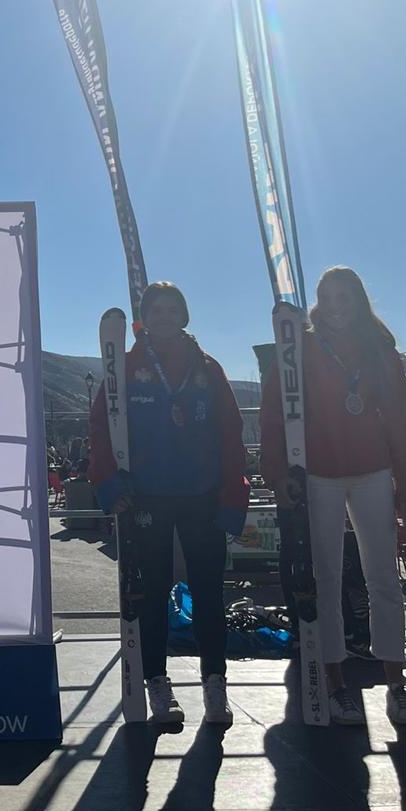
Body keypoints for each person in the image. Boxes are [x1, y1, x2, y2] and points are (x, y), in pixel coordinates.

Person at [260, 266, 406, 728]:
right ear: (317, 302)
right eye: (327, 298)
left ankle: (396, 685)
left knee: (383, 579)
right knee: (325, 578)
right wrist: (277, 474)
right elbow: (273, 413)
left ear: (358, 301)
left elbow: (399, 418)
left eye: (344, 298)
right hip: (318, 475)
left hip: (373, 472)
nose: (335, 307)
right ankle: (335, 685)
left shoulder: (379, 349)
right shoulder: (298, 348)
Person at [89, 282, 249, 727]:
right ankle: (157, 682)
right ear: (144, 319)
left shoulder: (207, 367)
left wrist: (233, 494)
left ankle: (215, 682)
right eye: (155, 310)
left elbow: (231, 432)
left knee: (209, 592)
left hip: (202, 494)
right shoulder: (125, 366)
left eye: (171, 309)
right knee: (153, 592)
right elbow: (100, 426)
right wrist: (108, 483)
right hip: (148, 495)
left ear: (184, 315)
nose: (163, 317)